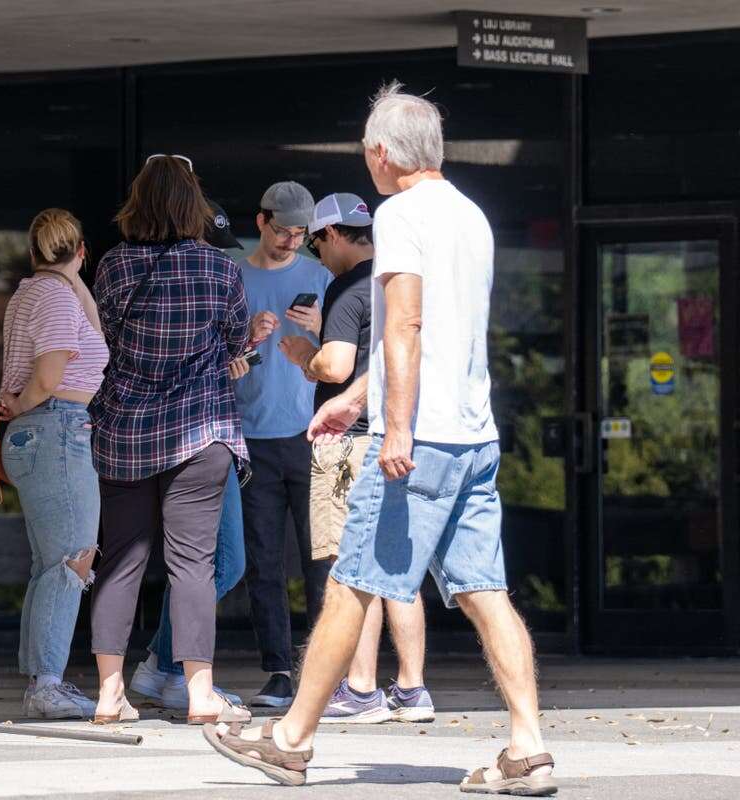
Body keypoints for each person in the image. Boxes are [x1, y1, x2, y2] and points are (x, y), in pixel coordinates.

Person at [204, 82, 557, 796]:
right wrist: (357, 396)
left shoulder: (400, 215)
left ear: (382, 153)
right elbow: (443, 336)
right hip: (473, 436)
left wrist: (390, 426)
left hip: (418, 440)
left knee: (349, 586)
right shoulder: (472, 216)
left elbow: (405, 325)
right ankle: (529, 746)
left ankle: (290, 738)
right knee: (487, 591)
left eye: (368, 151)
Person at [89, 156, 253, 725]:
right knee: (193, 565)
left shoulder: (113, 267)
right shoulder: (221, 270)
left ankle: (110, 694)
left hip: (124, 436)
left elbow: (99, 342)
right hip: (200, 433)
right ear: (194, 208)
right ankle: (200, 693)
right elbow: (235, 343)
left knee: (119, 563)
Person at [279, 192, 433, 724]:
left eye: (318, 241)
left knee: (350, 568)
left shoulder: (347, 288)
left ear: (337, 235)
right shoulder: (397, 284)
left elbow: (338, 366)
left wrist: (306, 355)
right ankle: (412, 690)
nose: (318, 254)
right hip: (398, 437)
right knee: (397, 566)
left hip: (350, 443)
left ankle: (361, 688)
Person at [130, 199, 247, 711]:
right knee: (209, 563)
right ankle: (173, 670)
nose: (214, 256)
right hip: (200, 434)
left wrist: (236, 354)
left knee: (211, 563)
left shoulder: (200, 276)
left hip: (197, 433)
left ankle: (161, 664)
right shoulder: (197, 276)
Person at [0, 208, 109, 720]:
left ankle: (41, 679)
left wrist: (70, 272)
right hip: (56, 426)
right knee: (73, 560)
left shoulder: (38, 293)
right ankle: (47, 683)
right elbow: (47, 376)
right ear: (82, 250)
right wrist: (22, 403)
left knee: (53, 562)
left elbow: (91, 334)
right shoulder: (54, 299)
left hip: (45, 432)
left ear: (32, 252)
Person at [233, 180, 332, 709]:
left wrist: (320, 328)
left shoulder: (320, 276)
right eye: (284, 230)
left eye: (302, 232)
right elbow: (215, 363)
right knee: (264, 562)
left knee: (322, 560)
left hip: (310, 434)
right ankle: (278, 670)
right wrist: (246, 338)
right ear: (260, 221)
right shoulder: (234, 277)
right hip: (250, 436)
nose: (293, 240)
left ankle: (322, 670)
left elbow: (347, 361)